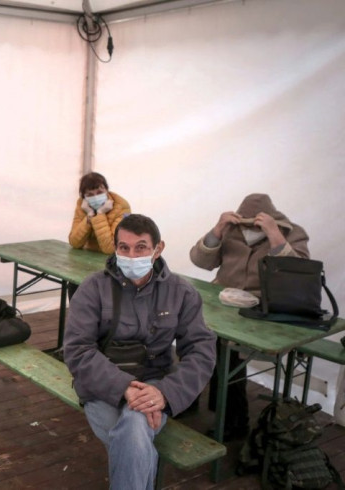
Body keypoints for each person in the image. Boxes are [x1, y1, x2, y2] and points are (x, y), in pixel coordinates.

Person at [64, 214, 216, 489]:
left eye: (141, 248)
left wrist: (166, 392)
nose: (131, 256)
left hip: (154, 384)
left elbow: (201, 351)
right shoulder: (93, 288)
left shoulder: (182, 292)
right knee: (134, 436)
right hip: (102, 383)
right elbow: (77, 349)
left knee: (132, 430)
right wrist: (124, 387)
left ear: (158, 249)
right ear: (115, 247)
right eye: (124, 247)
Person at [190, 193, 309, 439]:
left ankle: (235, 421)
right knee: (190, 336)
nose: (248, 229)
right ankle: (190, 401)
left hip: (262, 310)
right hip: (222, 302)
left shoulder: (293, 233)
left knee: (228, 353)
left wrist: (275, 235)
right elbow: (200, 261)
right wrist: (218, 229)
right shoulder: (232, 231)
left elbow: (299, 274)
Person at [67, 171, 131, 298]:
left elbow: (110, 248)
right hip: (86, 261)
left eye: (100, 193)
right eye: (90, 194)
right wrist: (89, 216)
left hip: (114, 264)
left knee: (100, 292)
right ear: (84, 197)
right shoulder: (82, 205)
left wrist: (100, 214)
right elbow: (74, 242)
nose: (95, 197)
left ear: (107, 190)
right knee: (74, 283)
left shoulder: (122, 207)